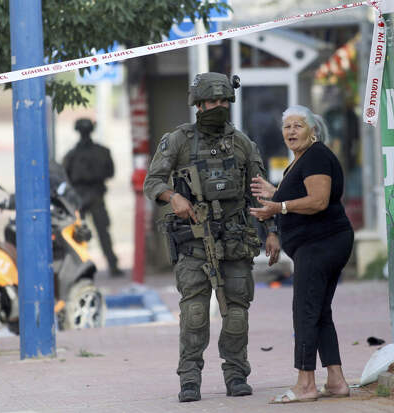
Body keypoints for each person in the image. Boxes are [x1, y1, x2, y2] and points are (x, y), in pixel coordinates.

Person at [143, 72, 281, 403]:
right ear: (198, 104)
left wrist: (272, 232)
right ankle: (189, 378)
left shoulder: (242, 143)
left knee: (237, 312)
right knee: (194, 313)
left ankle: (236, 374)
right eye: (210, 101)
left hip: (235, 240)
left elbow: (259, 191)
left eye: (222, 100)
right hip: (193, 241)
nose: (217, 106)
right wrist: (173, 197)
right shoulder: (178, 140)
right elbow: (152, 182)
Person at [249, 105, 354, 403]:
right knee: (319, 311)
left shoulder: (317, 155)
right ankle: (336, 381)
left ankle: (306, 384)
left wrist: (279, 206)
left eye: (298, 125)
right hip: (319, 243)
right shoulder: (301, 159)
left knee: (305, 311)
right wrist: (275, 194)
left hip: (321, 244)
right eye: (287, 126)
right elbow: (299, 196)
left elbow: (318, 201)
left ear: (313, 130)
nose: (291, 131)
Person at [62, 118, 121, 276]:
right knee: (101, 233)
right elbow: (110, 173)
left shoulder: (71, 155)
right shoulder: (102, 151)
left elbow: (65, 177)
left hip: (80, 197)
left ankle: (78, 268)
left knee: (79, 234)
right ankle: (112, 265)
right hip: (95, 195)